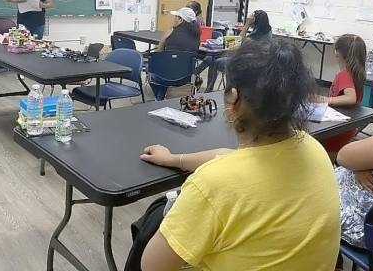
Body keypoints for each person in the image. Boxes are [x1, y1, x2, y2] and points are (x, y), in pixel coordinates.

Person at [140, 40, 340, 271]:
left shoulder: (214, 184)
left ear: (233, 98)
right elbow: (234, 160)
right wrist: (174, 160)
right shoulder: (313, 148)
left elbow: (151, 266)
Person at [318, 34, 367, 161]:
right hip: (347, 125)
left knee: (329, 162)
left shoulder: (345, 74)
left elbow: (350, 98)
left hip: (336, 130)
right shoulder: (357, 72)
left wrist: (324, 100)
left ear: (337, 53)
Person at [151, 7, 200, 100]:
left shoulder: (171, 30)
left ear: (181, 20)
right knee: (167, 70)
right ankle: (161, 98)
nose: (174, 19)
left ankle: (159, 99)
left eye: (176, 17)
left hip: (166, 76)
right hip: (187, 77)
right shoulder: (197, 35)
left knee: (154, 72)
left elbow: (159, 51)